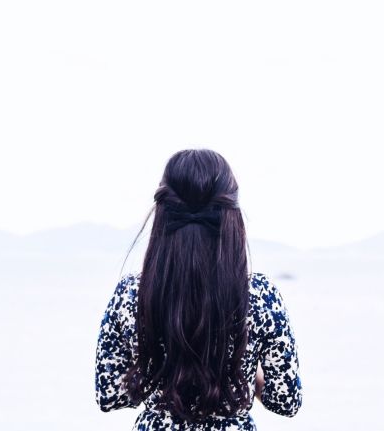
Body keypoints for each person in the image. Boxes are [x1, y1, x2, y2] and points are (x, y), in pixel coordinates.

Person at [94, 149, 302, 430]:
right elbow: (287, 401)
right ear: (231, 218)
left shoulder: (132, 294)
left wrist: (158, 370)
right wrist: (243, 377)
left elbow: (110, 394)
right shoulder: (260, 296)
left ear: (163, 215)